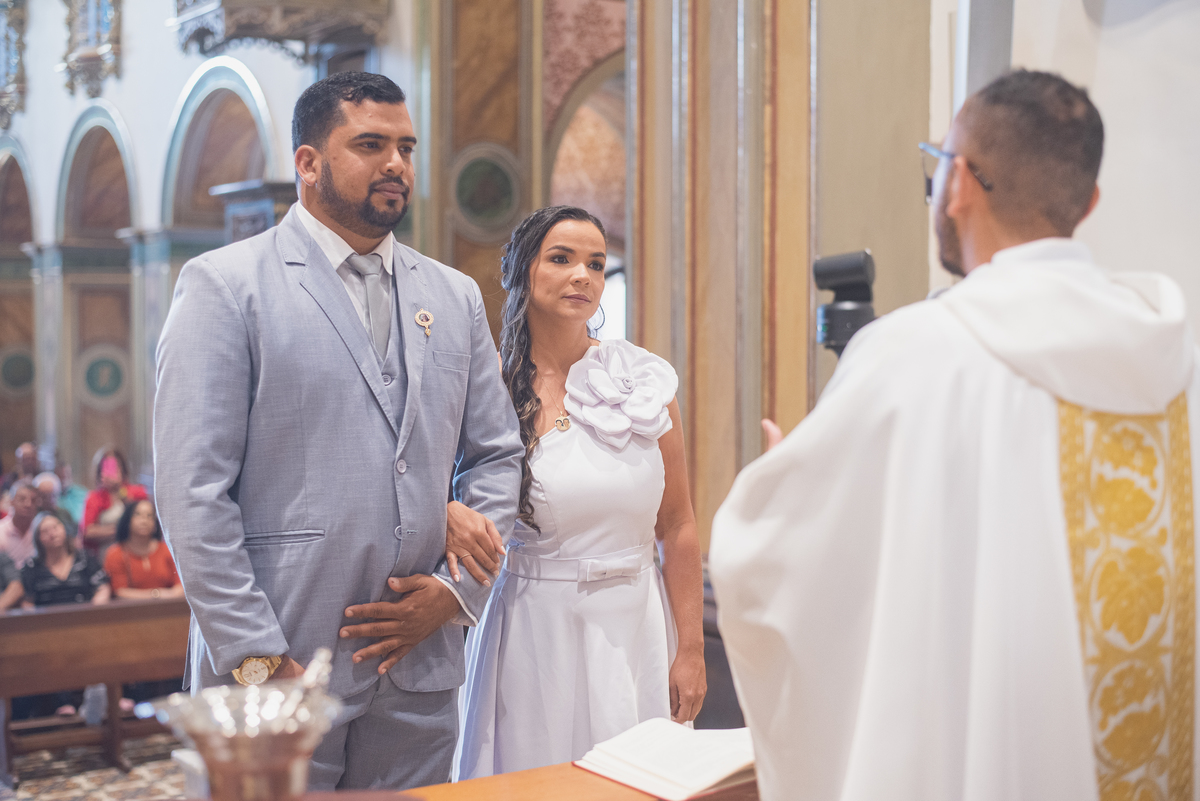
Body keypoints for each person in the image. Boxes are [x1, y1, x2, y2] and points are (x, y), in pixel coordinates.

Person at [709, 70, 1196, 801]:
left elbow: (774, 568)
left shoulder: (918, 353)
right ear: (1088, 203)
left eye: (937, 163)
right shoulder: (1169, 354)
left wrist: (798, 499)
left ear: (959, 182)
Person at [154, 71, 523, 791]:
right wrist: (261, 662)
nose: (396, 164)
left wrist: (455, 593)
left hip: (418, 668)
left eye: (407, 148)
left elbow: (497, 455)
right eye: (371, 144)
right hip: (280, 662)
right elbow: (192, 493)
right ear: (308, 162)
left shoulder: (452, 295)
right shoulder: (228, 286)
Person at [455, 206, 707, 779]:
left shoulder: (643, 381)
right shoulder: (490, 386)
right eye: (562, 259)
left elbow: (680, 523)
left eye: (596, 263)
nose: (583, 276)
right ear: (523, 271)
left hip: (637, 621)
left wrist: (689, 648)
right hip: (534, 626)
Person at [16, 510, 109, 718]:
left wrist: (92, 611)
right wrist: (39, 622)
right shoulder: (32, 567)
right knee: (52, 645)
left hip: (86, 621)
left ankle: (99, 699)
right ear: (38, 539)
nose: (52, 533)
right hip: (48, 627)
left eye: (55, 527)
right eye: (44, 531)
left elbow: (102, 588)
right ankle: (63, 702)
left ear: (64, 530)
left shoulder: (84, 557)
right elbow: (27, 602)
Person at [104, 499, 182, 600]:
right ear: (127, 520)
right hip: (130, 612)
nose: (144, 520)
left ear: (155, 523)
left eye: (149, 516)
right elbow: (120, 592)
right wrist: (156, 594)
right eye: (138, 514)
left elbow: (181, 587)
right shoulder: (115, 554)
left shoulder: (167, 550)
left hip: (169, 610)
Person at [82, 447, 148, 554]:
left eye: (114, 467)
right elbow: (87, 532)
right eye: (106, 467)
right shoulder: (93, 498)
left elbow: (144, 518)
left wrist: (120, 490)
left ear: (122, 469)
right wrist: (120, 529)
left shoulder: (138, 492)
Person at [0, 480, 38, 567]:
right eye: (22, 499)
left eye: (33, 500)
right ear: (11, 501)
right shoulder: (1, 531)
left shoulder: (40, 530)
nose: (28, 504)